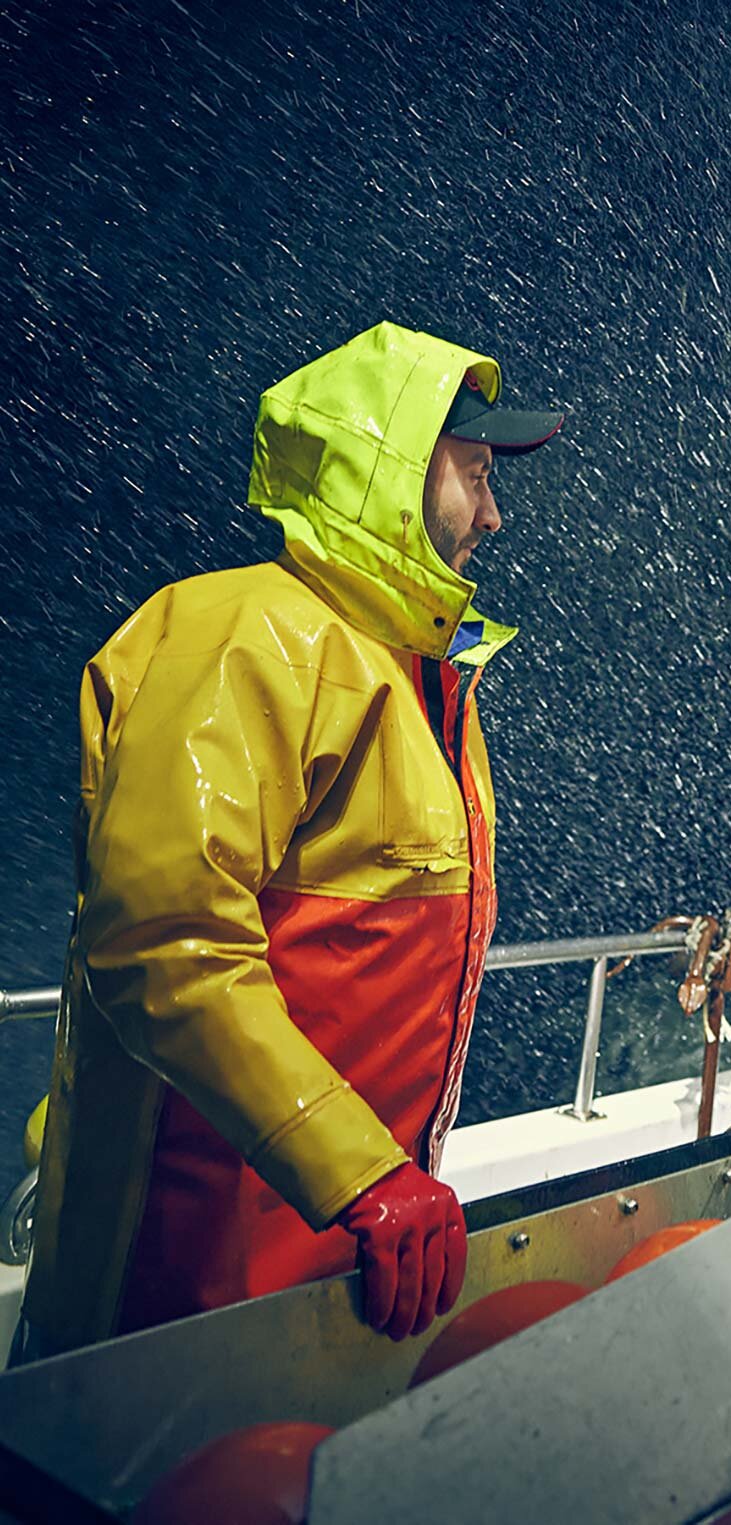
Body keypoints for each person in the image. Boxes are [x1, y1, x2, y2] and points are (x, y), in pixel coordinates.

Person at [17, 321, 564, 1361]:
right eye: (478, 475)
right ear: (391, 469)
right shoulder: (244, 637)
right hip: (186, 1272)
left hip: (328, 1242)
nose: (494, 516)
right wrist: (364, 1172)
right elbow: (166, 940)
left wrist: (375, 1185)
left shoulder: (422, 677)